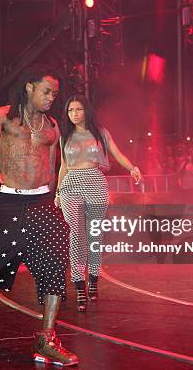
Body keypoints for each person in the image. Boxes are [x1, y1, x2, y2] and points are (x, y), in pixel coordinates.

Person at [0, 65, 78, 366]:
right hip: (9, 203)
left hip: (42, 202)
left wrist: (59, 198)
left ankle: (47, 338)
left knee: (55, 265)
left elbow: (55, 167)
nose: (52, 97)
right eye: (46, 91)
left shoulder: (52, 126)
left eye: (55, 93)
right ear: (29, 87)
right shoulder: (2, 114)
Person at [55, 95, 141, 313]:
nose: (74, 114)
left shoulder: (101, 133)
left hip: (95, 181)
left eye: (78, 109)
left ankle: (93, 277)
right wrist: (57, 191)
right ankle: (79, 284)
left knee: (94, 235)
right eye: (70, 110)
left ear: (87, 111)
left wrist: (133, 168)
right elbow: (63, 166)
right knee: (76, 233)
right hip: (71, 183)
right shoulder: (65, 135)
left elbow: (117, 154)